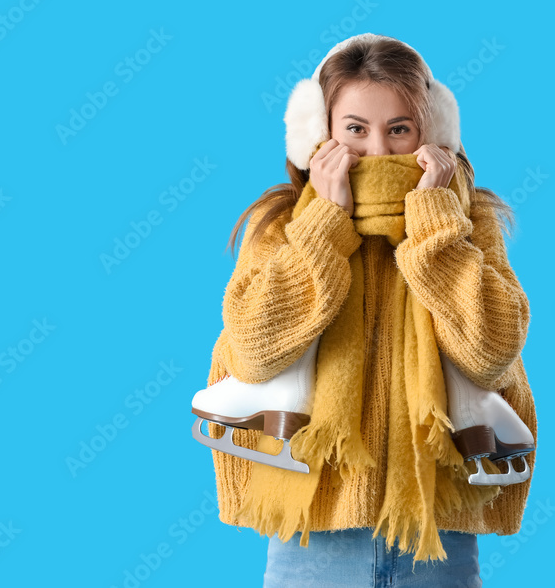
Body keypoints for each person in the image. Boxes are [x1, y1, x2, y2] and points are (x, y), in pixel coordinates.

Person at [202, 33, 537, 587]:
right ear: (319, 134)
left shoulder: (465, 222)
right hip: (311, 538)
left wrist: (434, 229)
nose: (377, 152)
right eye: (355, 129)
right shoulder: (283, 224)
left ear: (433, 136)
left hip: (437, 536)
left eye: (399, 129)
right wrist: (325, 228)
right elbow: (257, 350)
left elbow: (491, 352)